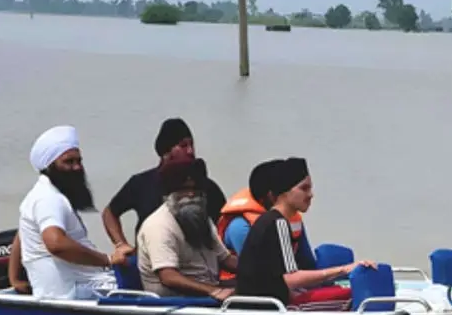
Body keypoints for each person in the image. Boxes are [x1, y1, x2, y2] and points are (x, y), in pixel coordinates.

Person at [234, 157, 375, 310]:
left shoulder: (269, 220)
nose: (310, 194)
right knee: (356, 296)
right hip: (269, 308)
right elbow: (291, 278)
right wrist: (344, 269)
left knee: (340, 291)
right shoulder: (278, 223)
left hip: (268, 302)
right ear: (284, 192)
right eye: (304, 188)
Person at [16, 125, 130, 300]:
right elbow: (56, 244)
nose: (77, 167)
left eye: (79, 161)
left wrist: (14, 279)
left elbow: (21, 235)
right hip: (75, 291)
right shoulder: (49, 198)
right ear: (49, 166)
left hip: (77, 286)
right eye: (68, 162)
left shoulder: (40, 195)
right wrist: (108, 260)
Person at [101, 117, 228, 249]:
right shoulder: (141, 183)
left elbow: (225, 223)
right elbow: (110, 213)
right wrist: (121, 245)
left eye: (191, 145)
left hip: (195, 259)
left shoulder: (206, 186)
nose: (190, 151)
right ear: (166, 152)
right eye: (183, 146)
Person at [136, 158, 238, 300]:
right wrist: (213, 291)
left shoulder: (202, 219)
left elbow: (225, 259)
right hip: (175, 302)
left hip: (208, 292)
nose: (191, 195)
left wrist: (258, 269)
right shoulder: (158, 225)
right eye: (183, 190)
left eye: (195, 189)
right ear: (169, 194)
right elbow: (168, 277)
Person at [215, 159, 318, 281]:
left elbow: (308, 264)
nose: (311, 195)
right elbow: (262, 273)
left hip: (289, 282)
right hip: (241, 287)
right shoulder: (240, 226)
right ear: (273, 195)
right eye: (303, 188)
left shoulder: (292, 219)